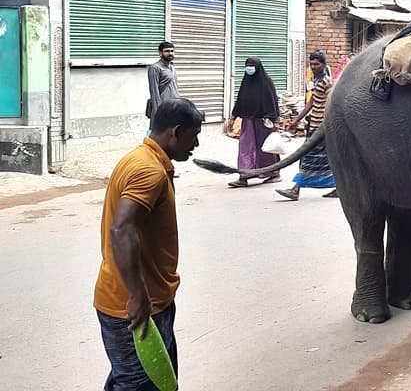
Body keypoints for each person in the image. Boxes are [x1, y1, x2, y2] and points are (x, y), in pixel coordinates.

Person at [94, 98, 203, 390]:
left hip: (147, 300)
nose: (196, 145)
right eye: (194, 135)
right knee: (142, 385)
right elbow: (122, 228)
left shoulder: (140, 158)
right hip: (135, 307)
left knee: (134, 380)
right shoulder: (149, 172)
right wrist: (138, 296)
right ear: (175, 133)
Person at [278, 51, 335, 201]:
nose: (314, 66)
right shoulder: (316, 81)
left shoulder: (327, 82)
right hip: (314, 125)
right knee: (326, 159)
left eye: (317, 64)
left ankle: (295, 189)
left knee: (307, 157)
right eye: (311, 64)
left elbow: (332, 102)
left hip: (321, 127)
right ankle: (338, 186)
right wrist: (297, 120)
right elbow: (311, 102)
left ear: (324, 65)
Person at [228, 57, 281, 188]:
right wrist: (233, 117)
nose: (249, 68)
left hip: (264, 121)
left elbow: (273, 102)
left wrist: (276, 121)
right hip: (248, 121)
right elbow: (240, 100)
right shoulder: (246, 82)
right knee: (246, 147)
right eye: (247, 65)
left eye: (252, 65)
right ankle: (244, 176)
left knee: (265, 149)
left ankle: (273, 173)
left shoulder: (266, 82)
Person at [147, 42, 179, 131]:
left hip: (174, 107)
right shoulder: (155, 68)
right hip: (163, 108)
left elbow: (175, 88)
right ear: (160, 53)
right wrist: (158, 112)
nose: (170, 53)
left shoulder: (172, 68)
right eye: (167, 51)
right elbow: (154, 92)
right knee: (159, 133)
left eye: (172, 51)